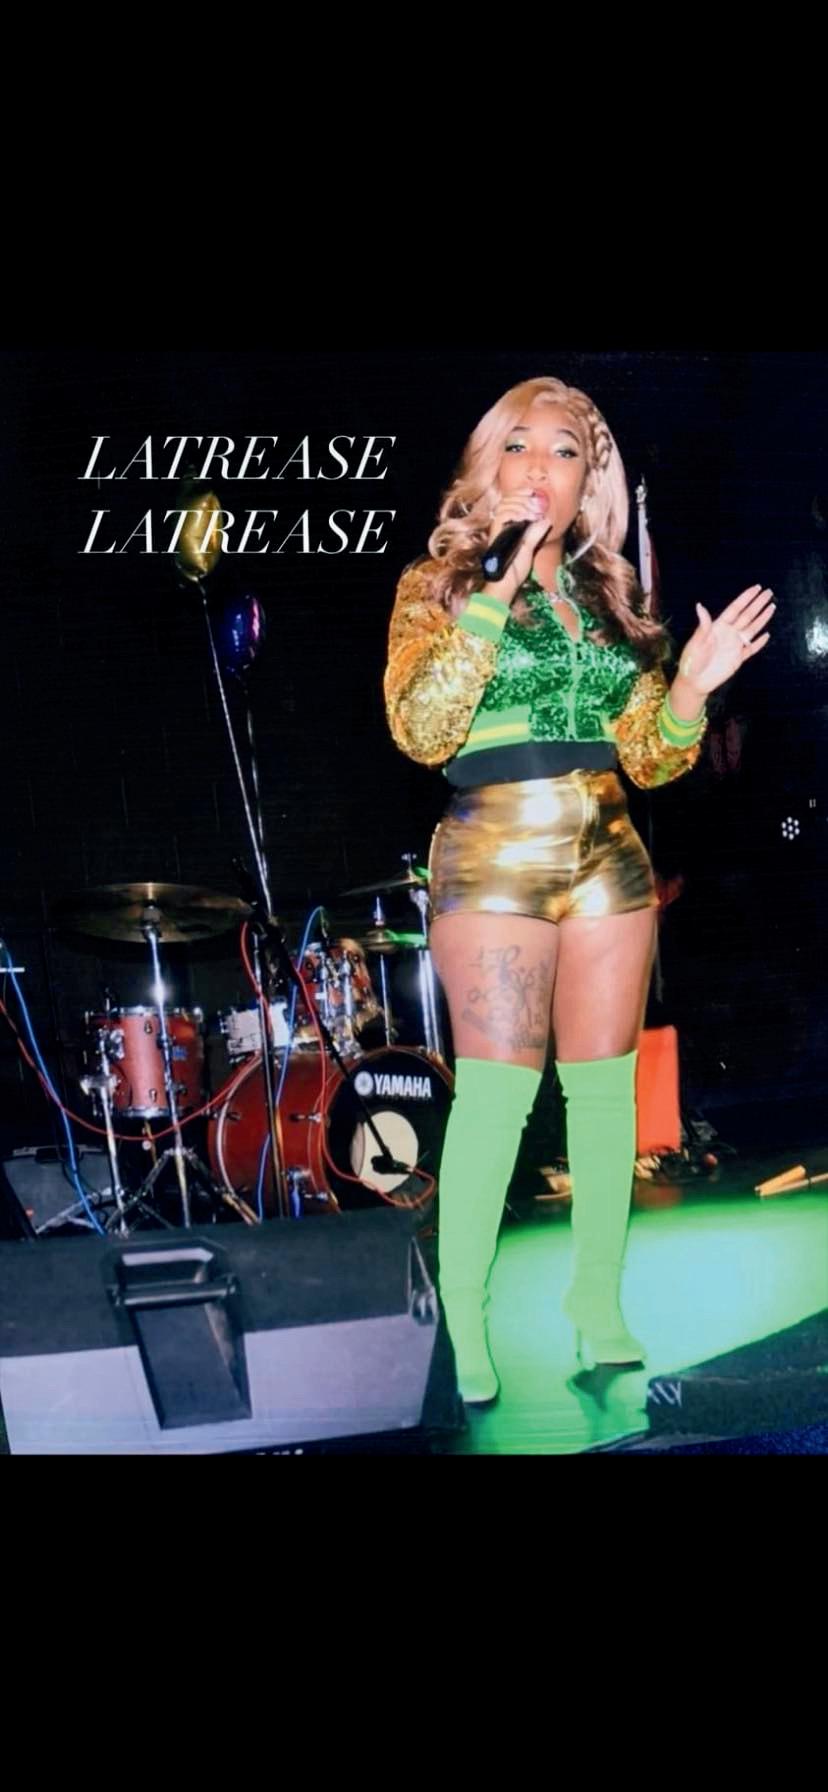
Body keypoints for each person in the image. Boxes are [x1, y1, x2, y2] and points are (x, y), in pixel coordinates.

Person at [384, 375, 774, 1405]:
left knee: (604, 1099)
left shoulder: (610, 599)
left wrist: (689, 685)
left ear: (586, 480)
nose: (541, 467)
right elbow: (421, 729)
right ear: (489, 466)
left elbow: (650, 758)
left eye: (567, 451)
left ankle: (596, 1302)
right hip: (495, 848)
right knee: (497, 1100)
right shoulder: (437, 587)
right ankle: (465, 1314)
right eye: (520, 444)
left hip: (609, 849)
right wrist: (493, 595)